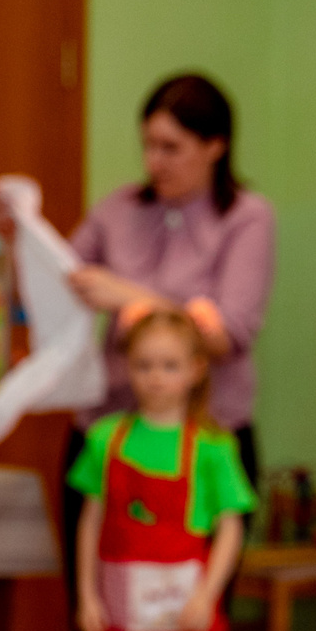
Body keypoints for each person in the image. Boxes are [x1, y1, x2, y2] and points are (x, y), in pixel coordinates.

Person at [59, 73, 275, 588]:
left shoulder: (247, 218)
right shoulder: (118, 208)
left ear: (215, 147)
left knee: (186, 611)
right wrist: (16, 235)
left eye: (171, 148)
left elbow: (227, 334)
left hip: (202, 437)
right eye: (148, 146)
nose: (154, 161)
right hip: (110, 434)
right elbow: (62, 278)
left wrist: (129, 297)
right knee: (99, 603)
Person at [70, 308, 255, 631]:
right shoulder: (105, 439)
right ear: (127, 368)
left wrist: (207, 596)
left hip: (185, 626)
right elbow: (90, 523)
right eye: (143, 365)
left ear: (196, 370)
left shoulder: (213, 446)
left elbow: (231, 530)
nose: (155, 376)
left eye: (170, 366)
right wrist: (87, 595)